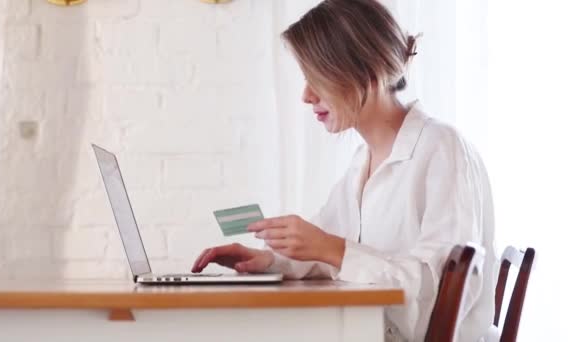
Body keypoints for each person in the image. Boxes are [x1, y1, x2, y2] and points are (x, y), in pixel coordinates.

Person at [192, 0, 496, 340]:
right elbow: (327, 256)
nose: (306, 96)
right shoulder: (360, 164)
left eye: (315, 78)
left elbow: (440, 297)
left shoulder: (442, 150)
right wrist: (269, 262)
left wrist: (331, 247)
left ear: (365, 70)